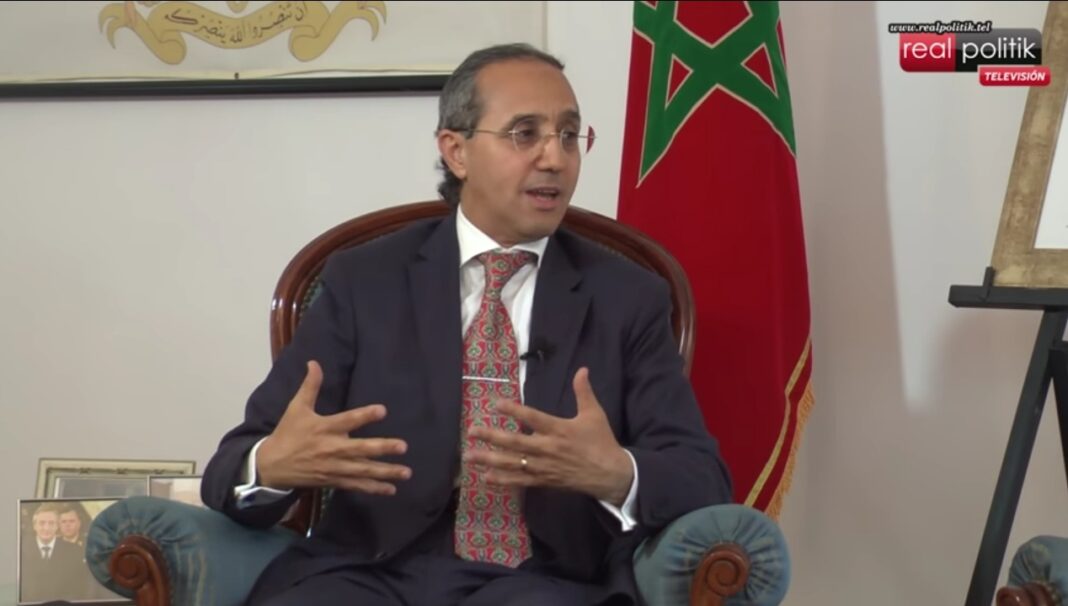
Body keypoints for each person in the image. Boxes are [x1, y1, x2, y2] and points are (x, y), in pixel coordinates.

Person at [201, 42, 733, 606]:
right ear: (456, 151)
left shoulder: (627, 296)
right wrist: (272, 466)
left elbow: (702, 477)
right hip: (369, 574)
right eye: (525, 133)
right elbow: (228, 470)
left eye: (569, 135)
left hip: (545, 583)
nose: (555, 158)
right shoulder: (364, 280)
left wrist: (616, 473)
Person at [20, 503, 86, 603]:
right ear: (34, 526)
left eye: (51, 523)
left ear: (57, 526)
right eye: (42, 523)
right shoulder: (21, 550)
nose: (46, 528)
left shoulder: (74, 551)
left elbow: (79, 588)